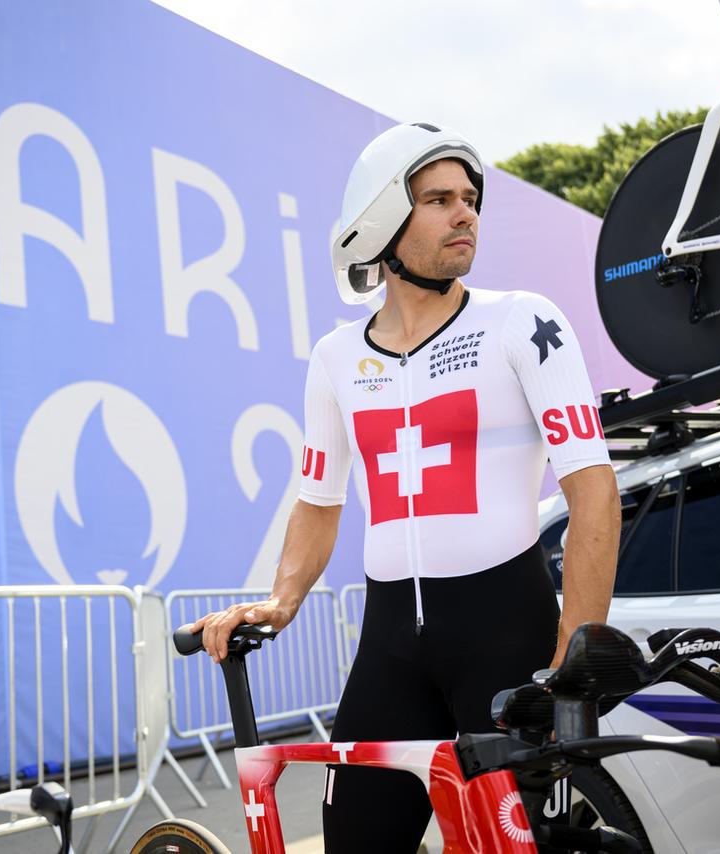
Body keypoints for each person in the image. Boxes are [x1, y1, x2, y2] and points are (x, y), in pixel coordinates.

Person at [193, 123, 621, 851]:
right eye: (439, 199)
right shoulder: (334, 358)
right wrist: (282, 598)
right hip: (390, 648)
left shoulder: (522, 321)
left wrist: (572, 661)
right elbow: (318, 498)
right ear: (383, 223)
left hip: (508, 636)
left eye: (470, 198)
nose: (466, 214)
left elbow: (593, 492)